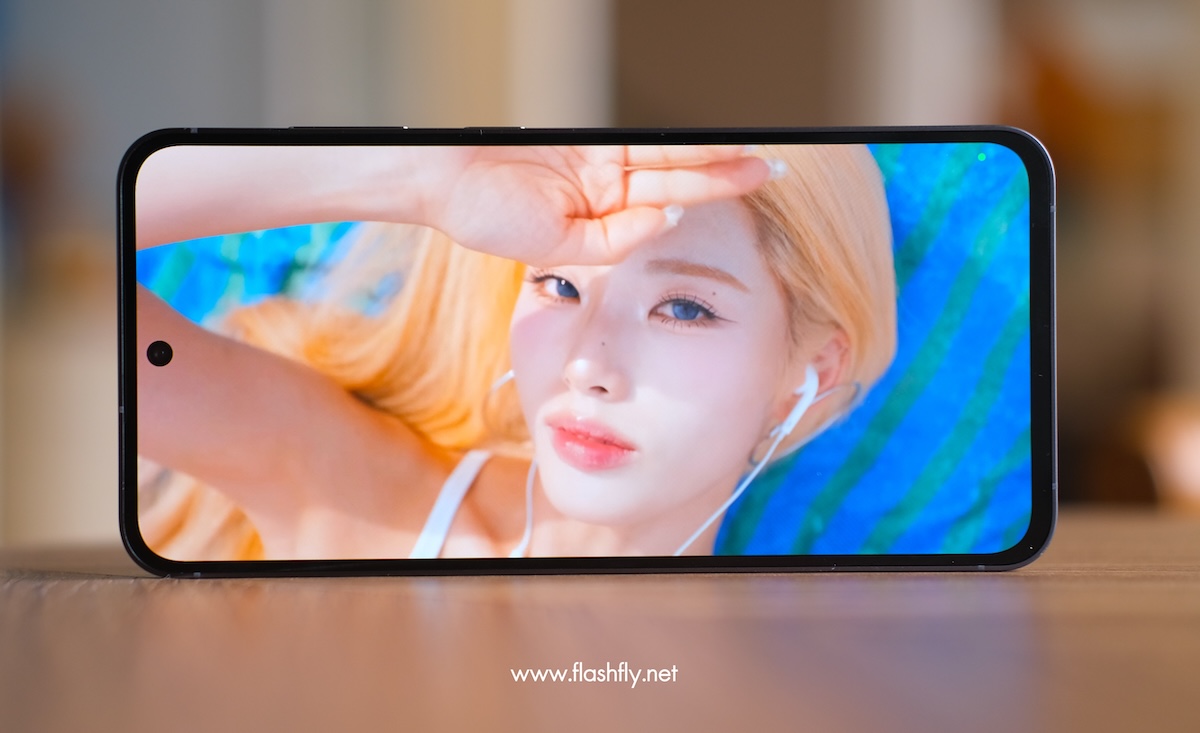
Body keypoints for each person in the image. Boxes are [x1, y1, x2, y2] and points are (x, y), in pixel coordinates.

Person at [135, 142, 896, 561]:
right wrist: (421, 181)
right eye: (559, 285)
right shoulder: (354, 496)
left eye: (684, 308)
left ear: (815, 371)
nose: (586, 366)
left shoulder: (810, 680)